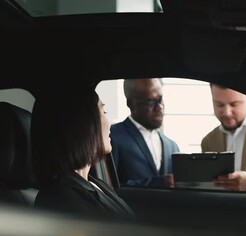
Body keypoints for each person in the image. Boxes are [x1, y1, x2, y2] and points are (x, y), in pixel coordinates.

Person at [32, 88, 134, 218]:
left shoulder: (95, 184)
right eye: (104, 111)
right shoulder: (61, 200)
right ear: (83, 124)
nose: (109, 122)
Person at [110, 78, 179, 188]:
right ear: (131, 104)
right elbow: (109, 189)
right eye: (151, 102)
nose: (160, 107)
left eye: (160, 99)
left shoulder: (172, 146)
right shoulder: (112, 137)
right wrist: (158, 183)